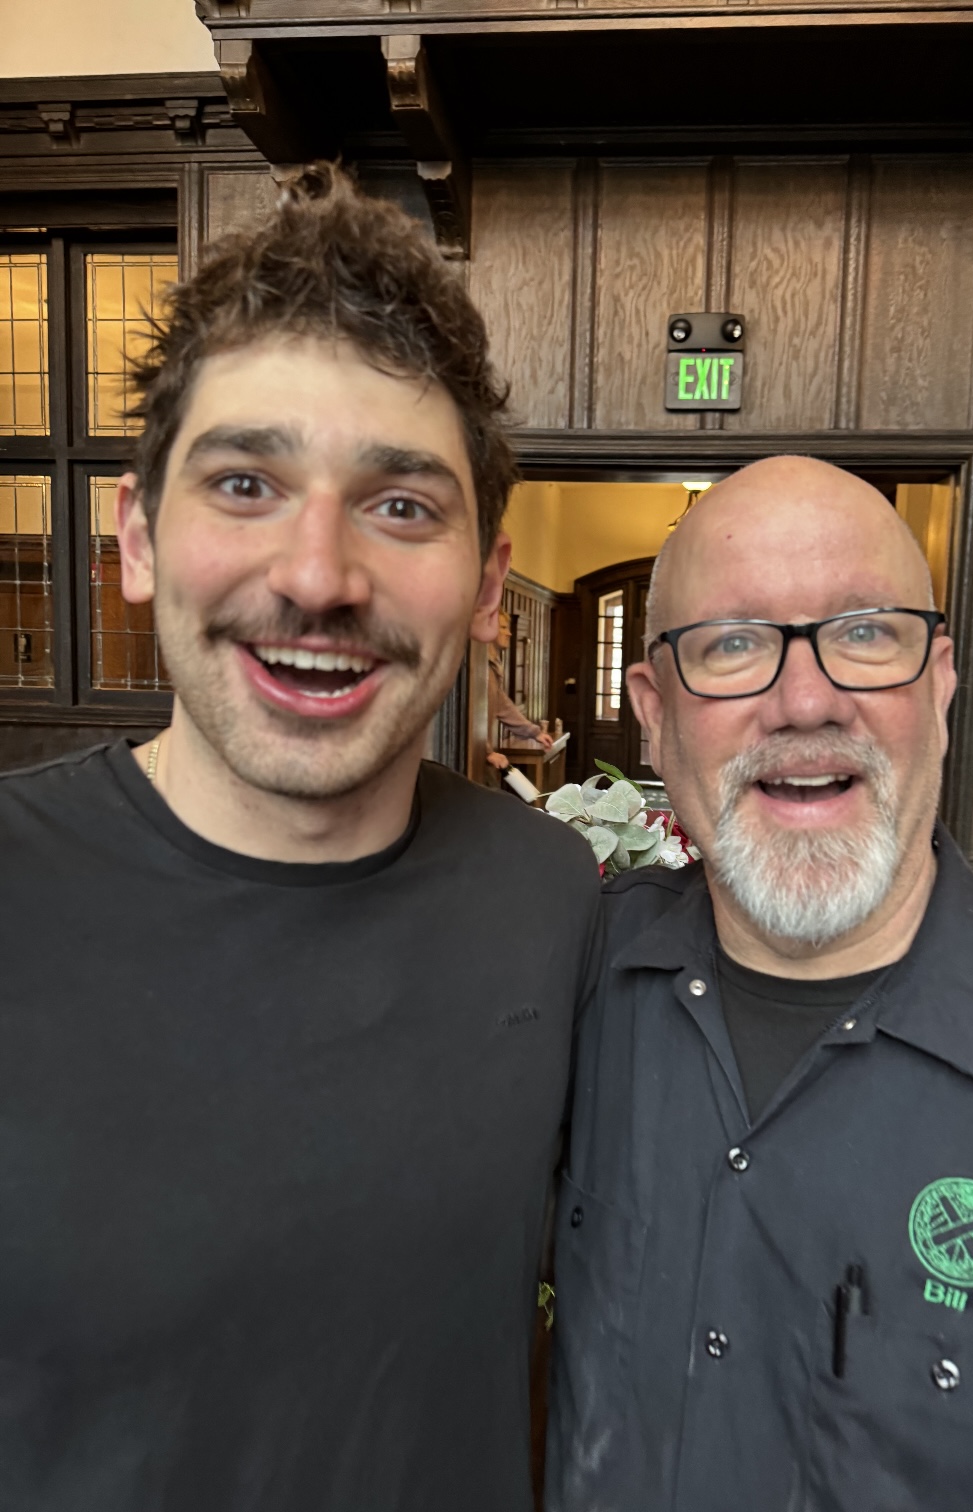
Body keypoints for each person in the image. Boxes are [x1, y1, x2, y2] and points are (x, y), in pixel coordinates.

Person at [0, 163, 600, 1512]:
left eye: (402, 505)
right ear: (137, 537)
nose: (320, 577)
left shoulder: (549, 896)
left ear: (487, 583)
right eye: (244, 483)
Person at [547, 456, 973, 1512]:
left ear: (938, 684)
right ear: (654, 713)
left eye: (864, 633)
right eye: (730, 644)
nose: (804, 701)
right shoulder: (566, 985)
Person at [486, 608, 553, 775]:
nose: (509, 633)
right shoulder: (479, 666)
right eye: (503, 627)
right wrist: (486, 751)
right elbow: (471, 716)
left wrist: (534, 732)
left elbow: (501, 703)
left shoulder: (493, 663)